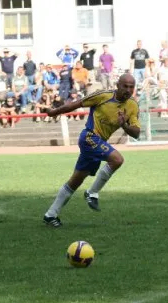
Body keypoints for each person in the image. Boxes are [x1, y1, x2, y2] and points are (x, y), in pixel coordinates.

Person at [42, 74, 140, 227]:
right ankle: (92, 193)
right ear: (117, 85)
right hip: (89, 137)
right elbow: (76, 104)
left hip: (99, 143)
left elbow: (136, 133)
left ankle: (50, 215)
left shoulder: (133, 105)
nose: (128, 90)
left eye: (131, 87)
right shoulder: (103, 96)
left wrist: (124, 125)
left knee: (75, 181)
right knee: (117, 159)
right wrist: (54, 112)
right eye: (125, 86)